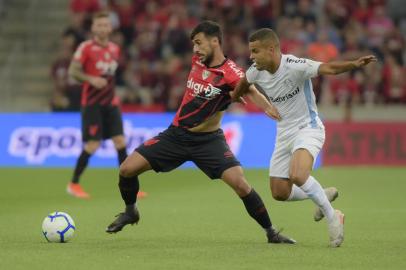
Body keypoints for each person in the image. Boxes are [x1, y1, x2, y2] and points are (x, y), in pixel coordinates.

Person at [105, 21, 295, 244]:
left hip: (208, 142)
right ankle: (131, 211)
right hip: (176, 135)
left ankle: (271, 233)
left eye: (198, 43)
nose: (195, 49)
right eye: (193, 44)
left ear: (215, 41)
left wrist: (269, 108)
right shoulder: (197, 61)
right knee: (127, 169)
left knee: (241, 184)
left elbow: (250, 91)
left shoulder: (230, 72)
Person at [232, 28, 377, 247]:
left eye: (255, 51)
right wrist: (238, 98)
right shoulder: (256, 71)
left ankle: (333, 216)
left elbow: (328, 68)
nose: (251, 56)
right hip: (284, 133)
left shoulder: (295, 65)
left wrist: (353, 64)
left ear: (271, 49)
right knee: (279, 192)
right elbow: (243, 84)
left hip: (307, 127)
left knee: (298, 175)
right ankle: (318, 194)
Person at [67, 11, 146, 199]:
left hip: (111, 103)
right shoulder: (85, 48)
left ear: (110, 27)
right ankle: (74, 184)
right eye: (99, 25)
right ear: (93, 28)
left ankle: (130, 186)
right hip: (92, 104)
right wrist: (90, 79)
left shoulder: (114, 49)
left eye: (105, 25)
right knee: (93, 144)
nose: (103, 28)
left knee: (120, 141)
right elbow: (73, 71)